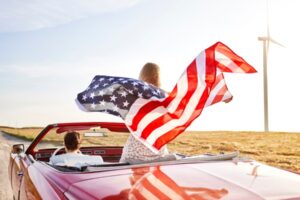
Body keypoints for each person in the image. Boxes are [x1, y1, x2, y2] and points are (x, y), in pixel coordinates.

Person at [119, 62, 178, 164]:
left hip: (133, 154)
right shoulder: (166, 98)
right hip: (157, 149)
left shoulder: (134, 97)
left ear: (142, 76)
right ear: (159, 77)